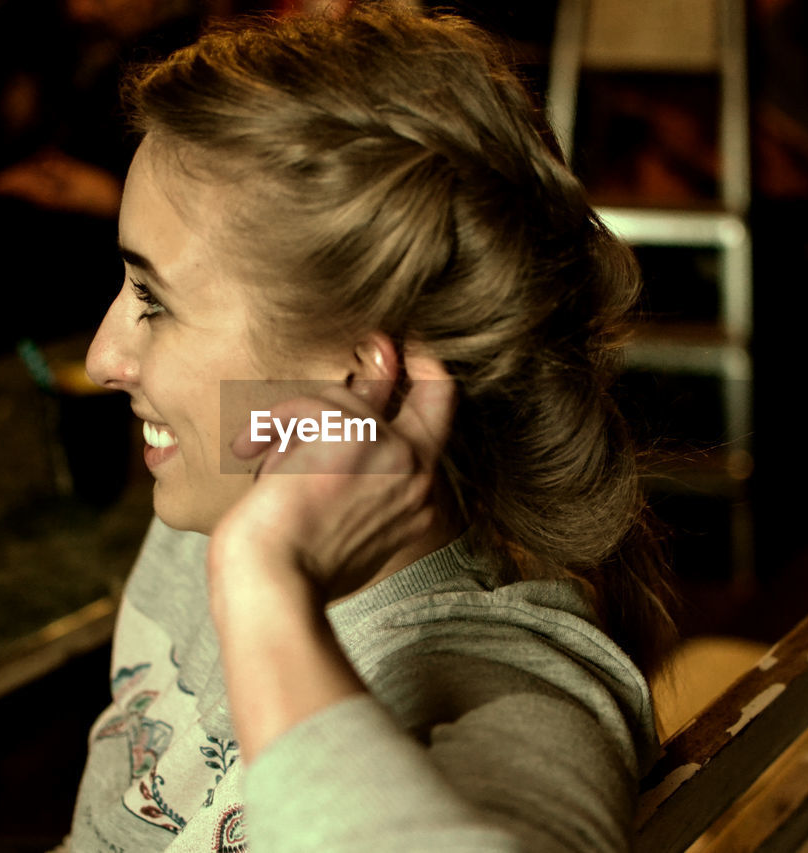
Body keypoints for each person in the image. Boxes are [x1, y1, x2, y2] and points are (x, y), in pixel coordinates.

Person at [70, 4, 678, 851]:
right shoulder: (213, 502)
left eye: (152, 300)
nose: (104, 359)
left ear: (355, 376)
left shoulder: (515, 687)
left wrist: (262, 585)